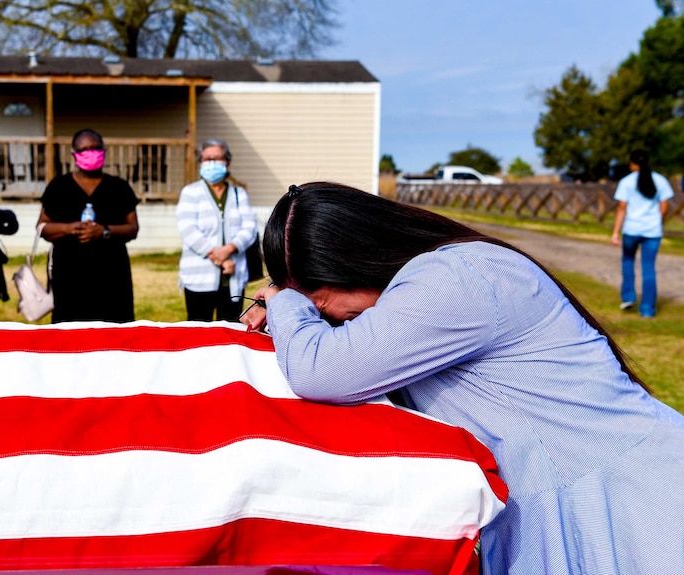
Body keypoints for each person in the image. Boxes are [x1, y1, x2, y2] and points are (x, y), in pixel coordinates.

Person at [242, 182, 684, 574]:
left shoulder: (456, 278)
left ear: (360, 259)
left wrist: (285, 304)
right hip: (595, 499)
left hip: (639, 511)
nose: (326, 317)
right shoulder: (433, 281)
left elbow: (321, 371)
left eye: (320, 304)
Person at [38, 129, 140, 323]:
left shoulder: (118, 187)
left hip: (112, 275)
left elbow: (133, 228)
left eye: (95, 148)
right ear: (73, 154)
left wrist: (104, 232)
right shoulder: (59, 187)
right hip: (69, 274)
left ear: (104, 151)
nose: (90, 153)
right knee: (70, 334)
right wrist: (69, 228)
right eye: (84, 149)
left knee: (113, 333)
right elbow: (42, 227)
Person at [176, 139, 258, 321]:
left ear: (227, 162)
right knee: (197, 330)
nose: (212, 163)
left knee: (230, 331)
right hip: (199, 277)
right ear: (200, 162)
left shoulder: (239, 193)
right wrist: (221, 259)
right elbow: (188, 229)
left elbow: (249, 228)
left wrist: (229, 249)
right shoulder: (190, 192)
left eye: (217, 158)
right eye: (207, 159)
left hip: (233, 278)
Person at [611, 149, 674, 317]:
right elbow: (665, 205)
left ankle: (628, 297)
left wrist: (615, 232)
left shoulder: (626, 182)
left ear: (632, 163)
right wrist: (657, 221)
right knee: (648, 268)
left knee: (628, 261)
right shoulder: (660, 180)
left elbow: (622, 208)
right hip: (652, 231)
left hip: (632, 229)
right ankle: (647, 309)